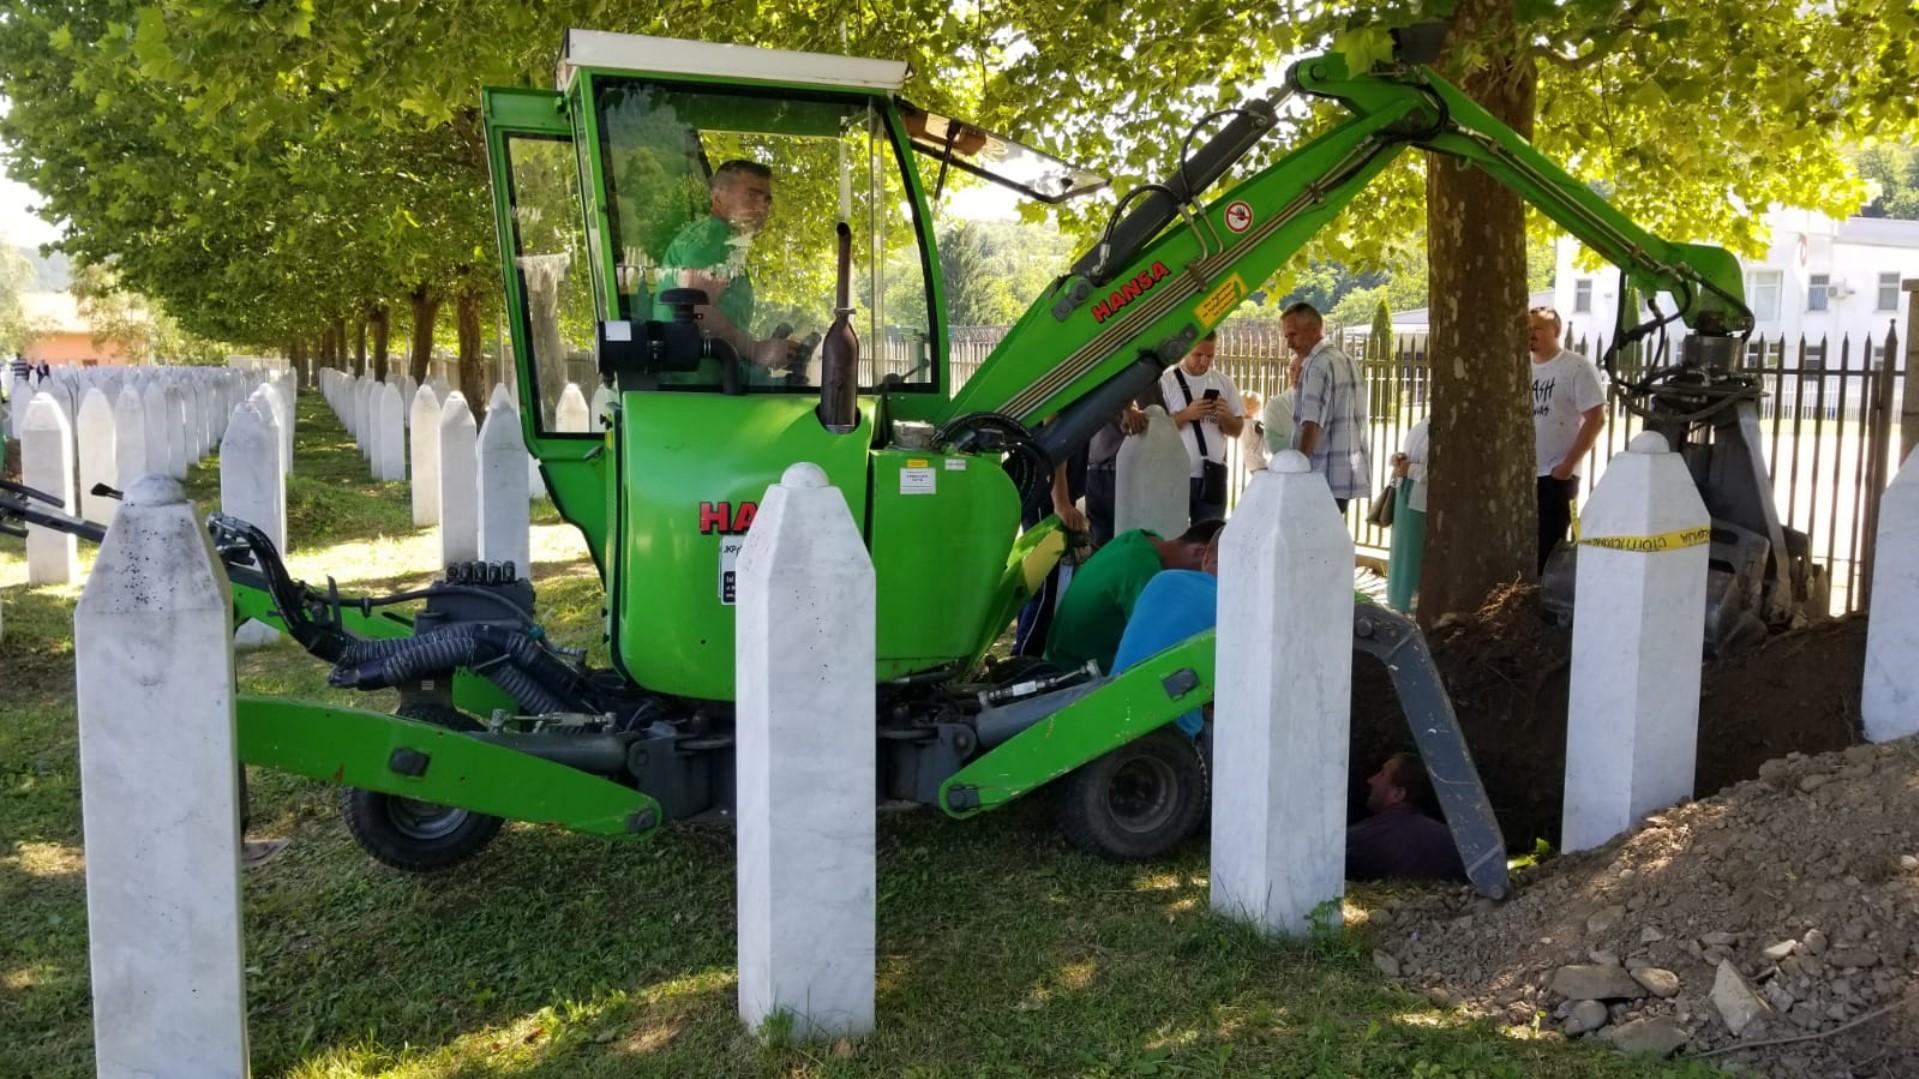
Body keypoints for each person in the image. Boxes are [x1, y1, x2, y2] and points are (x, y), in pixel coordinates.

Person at [655, 159, 797, 373]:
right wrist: (756, 350)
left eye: (767, 199)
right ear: (718, 195)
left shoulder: (706, 235)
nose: (762, 206)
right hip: (699, 387)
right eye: (752, 195)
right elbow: (695, 309)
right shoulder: (716, 236)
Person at [1043, 519, 1223, 674]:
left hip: (1061, 655)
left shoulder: (1141, 540)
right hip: (1074, 671)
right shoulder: (1146, 573)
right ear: (1201, 553)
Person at [1108, 530, 1222, 737]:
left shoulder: (1161, 579)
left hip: (1111, 712)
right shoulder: (1236, 608)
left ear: (1206, 557)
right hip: (1169, 744)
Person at [1528, 306, 1605, 572]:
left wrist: (1567, 466)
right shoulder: (1520, 368)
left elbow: (1596, 418)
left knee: (1550, 547)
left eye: (1537, 327)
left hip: (1556, 475)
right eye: (1527, 328)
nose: (1531, 333)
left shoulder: (1576, 368)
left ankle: (1546, 603)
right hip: (1523, 474)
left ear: (1556, 331)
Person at [1283, 302, 1371, 512]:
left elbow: (1311, 422)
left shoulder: (1317, 365)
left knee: (1309, 541)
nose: (1289, 343)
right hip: (1344, 475)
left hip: (1321, 476)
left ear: (1314, 330)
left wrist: (1299, 469)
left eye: (1292, 335)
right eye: (1286, 337)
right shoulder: (1346, 359)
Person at [1159, 333, 1244, 523]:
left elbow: (1237, 430)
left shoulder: (1224, 382)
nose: (1204, 361)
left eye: (1210, 356)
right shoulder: (1167, 381)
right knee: (1173, 535)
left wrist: (1225, 417)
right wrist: (1186, 415)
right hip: (1174, 476)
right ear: (1185, 350)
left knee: (1209, 538)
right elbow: (1156, 431)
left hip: (1212, 475)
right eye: (1198, 355)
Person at [1346, 752, 1466, 883]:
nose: (1370, 780)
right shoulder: (1458, 845)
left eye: (1382, 774)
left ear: (1397, 794)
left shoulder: (1361, 839)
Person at [1085, 383, 1166, 546]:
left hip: (1134, 472)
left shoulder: (1148, 377)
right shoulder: (1105, 375)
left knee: (1132, 542)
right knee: (1105, 542)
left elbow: (1162, 422)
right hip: (1102, 470)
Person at [1385, 418, 1430, 614]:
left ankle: (1413, 606)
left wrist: (1409, 469)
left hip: (1421, 501)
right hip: (1406, 496)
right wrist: (1398, 460)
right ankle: (1398, 602)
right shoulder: (1424, 424)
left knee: (1414, 555)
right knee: (1402, 552)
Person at [1258, 350, 1303, 457]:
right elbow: (1273, 445)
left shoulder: (1324, 403)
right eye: (1292, 369)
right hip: (1286, 468)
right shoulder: (1275, 405)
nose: (1296, 374)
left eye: (1302, 370)